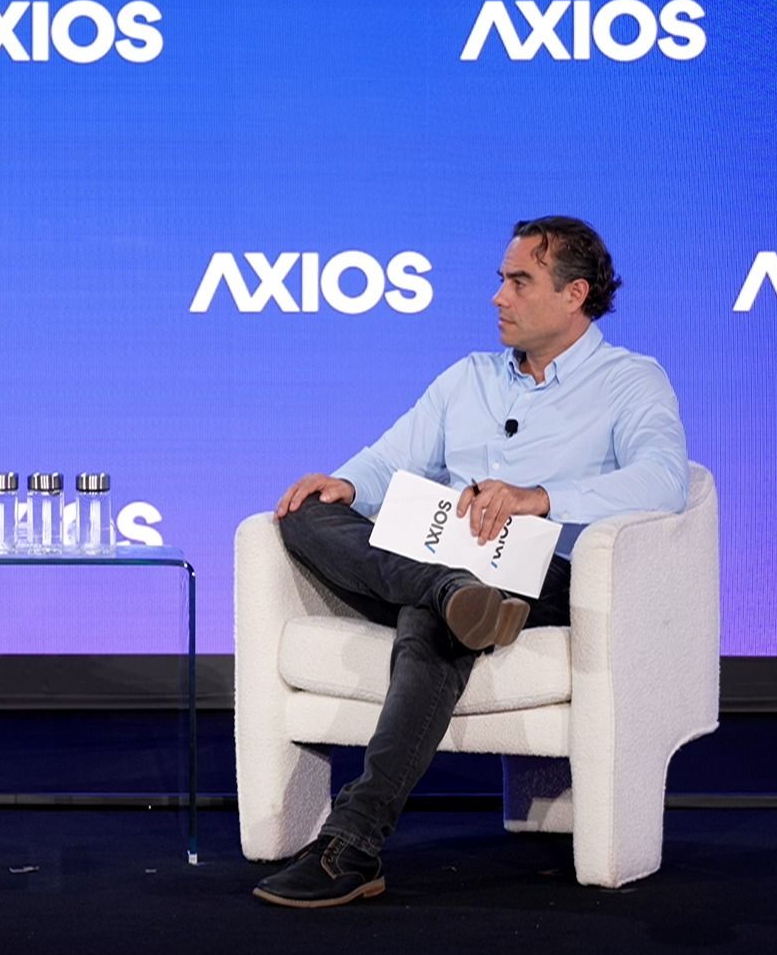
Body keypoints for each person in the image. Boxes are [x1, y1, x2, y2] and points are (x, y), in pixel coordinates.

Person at [253, 216, 688, 909]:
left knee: (435, 616)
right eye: (501, 280)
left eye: (519, 281)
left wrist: (541, 499)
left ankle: (353, 843)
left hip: (546, 572)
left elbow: (665, 480)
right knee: (306, 512)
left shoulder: (629, 381)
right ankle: (449, 589)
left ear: (574, 294)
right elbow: (388, 458)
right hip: (444, 561)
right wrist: (347, 484)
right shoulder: (469, 378)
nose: (498, 298)